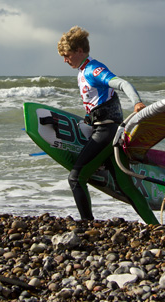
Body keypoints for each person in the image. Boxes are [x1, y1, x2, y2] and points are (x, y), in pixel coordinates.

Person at [57, 26, 158, 225]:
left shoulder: (94, 69)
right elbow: (98, 103)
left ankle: (87, 224)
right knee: (127, 188)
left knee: (76, 178)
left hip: (106, 132)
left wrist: (136, 102)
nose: (64, 60)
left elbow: (123, 84)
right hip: (108, 133)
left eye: (67, 55)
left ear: (79, 51)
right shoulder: (82, 70)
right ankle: (156, 226)